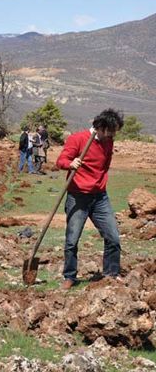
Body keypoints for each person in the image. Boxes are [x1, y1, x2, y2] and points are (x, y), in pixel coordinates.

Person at [56, 109, 124, 290]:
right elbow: (61, 160)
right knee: (72, 240)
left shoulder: (108, 142)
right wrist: (70, 164)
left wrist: (99, 182)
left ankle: (111, 273)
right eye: (110, 131)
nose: (112, 135)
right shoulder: (78, 139)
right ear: (100, 127)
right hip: (78, 196)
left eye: (114, 131)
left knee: (113, 237)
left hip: (100, 197)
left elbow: (105, 165)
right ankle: (70, 276)